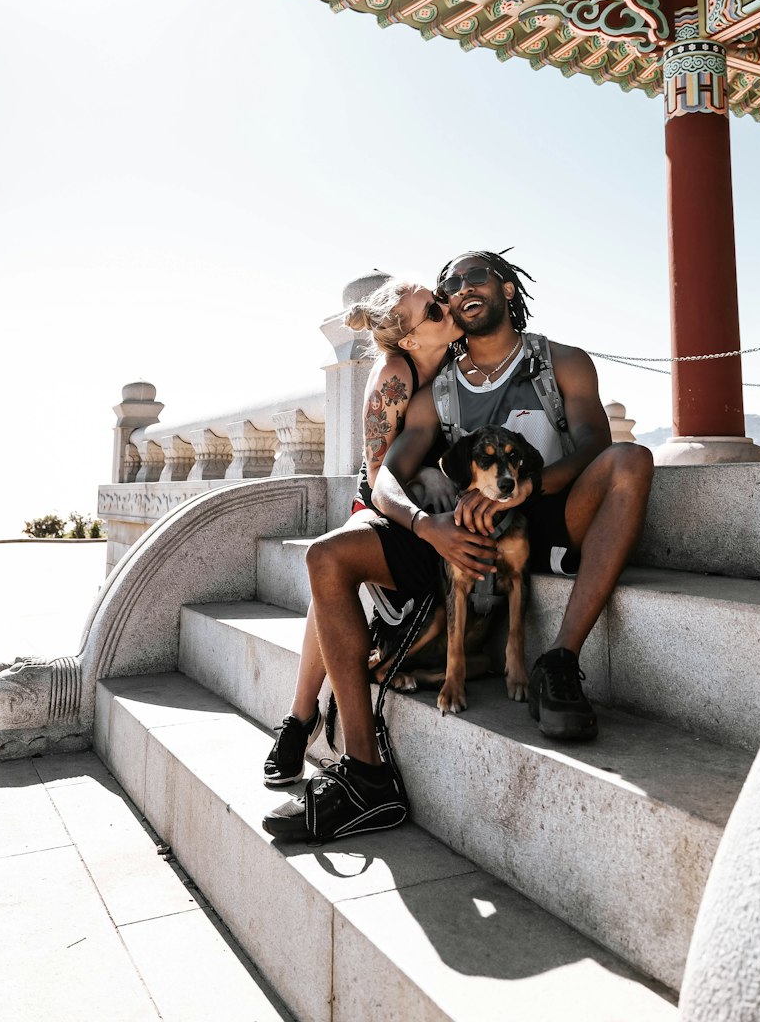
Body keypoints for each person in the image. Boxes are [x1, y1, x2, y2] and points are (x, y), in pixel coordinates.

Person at [263, 250, 653, 845]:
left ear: (505, 285)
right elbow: (388, 476)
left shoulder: (562, 362)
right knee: (327, 555)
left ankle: (560, 660)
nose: (460, 288)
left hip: (548, 512)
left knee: (631, 460)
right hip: (457, 530)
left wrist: (521, 490)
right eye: (449, 284)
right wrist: (426, 526)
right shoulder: (436, 387)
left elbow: (596, 445)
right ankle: (366, 777)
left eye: (476, 275)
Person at [261, 275, 461, 789]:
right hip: (387, 502)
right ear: (412, 339)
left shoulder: (455, 358)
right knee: (332, 559)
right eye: (433, 310)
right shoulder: (396, 372)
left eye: (439, 300)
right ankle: (302, 714)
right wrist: (430, 490)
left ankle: (307, 718)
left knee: (331, 562)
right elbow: (380, 472)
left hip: (437, 506)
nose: (445, 307)